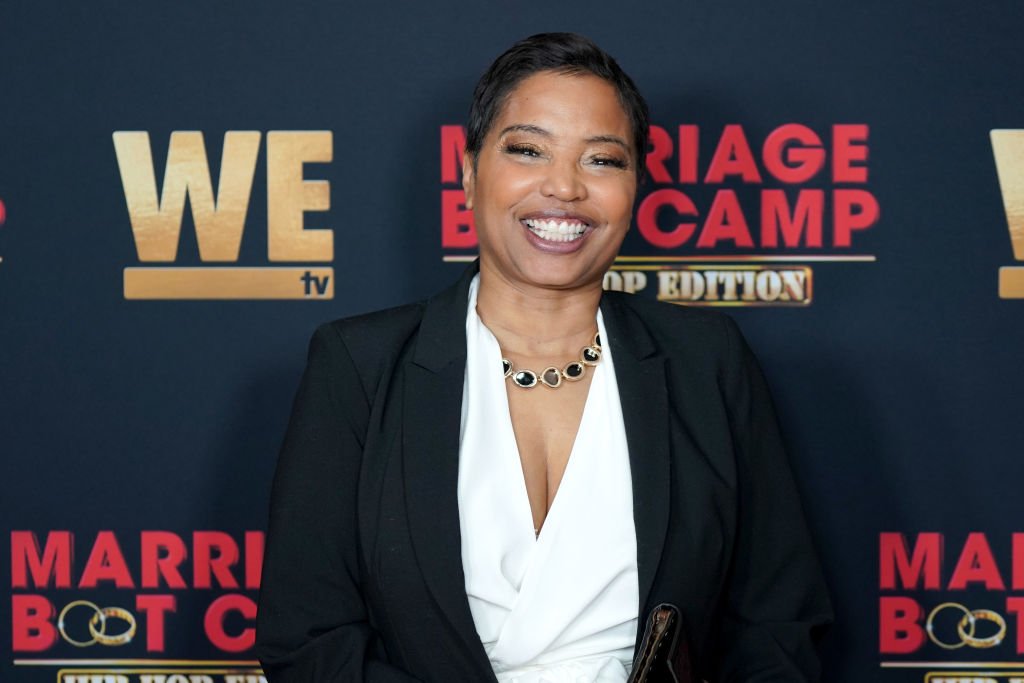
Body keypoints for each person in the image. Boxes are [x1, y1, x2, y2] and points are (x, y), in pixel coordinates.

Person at [255, 32, 833, 682]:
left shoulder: (708, 361)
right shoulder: (359, 365)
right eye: (528, 150)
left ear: (636, 185)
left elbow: (779, 624)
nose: (563, 187)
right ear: (469, 170)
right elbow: (307, 641)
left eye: (602, 160)